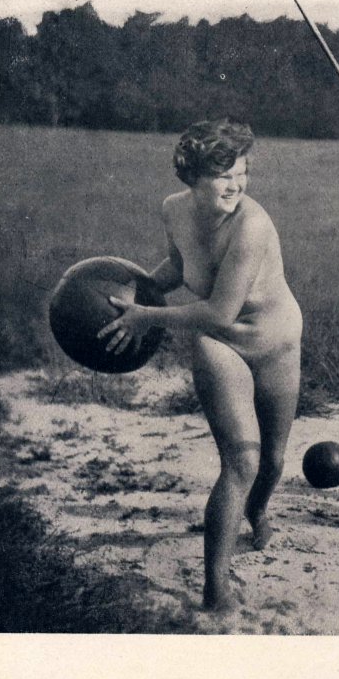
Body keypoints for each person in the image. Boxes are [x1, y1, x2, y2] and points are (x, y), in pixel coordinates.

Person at [97, 117, 302, 612]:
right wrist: (139, 291)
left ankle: (257, 512)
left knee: (273, 461)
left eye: (242, 172)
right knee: (242, 462)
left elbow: (219, 309)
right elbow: (180, 267)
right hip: (220, 345)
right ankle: (216, 587)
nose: (236, 184)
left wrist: (147, 317)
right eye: (222, 174)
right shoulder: (173, 209)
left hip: (275, 342)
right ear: (192, 177)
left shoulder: (252, 225)